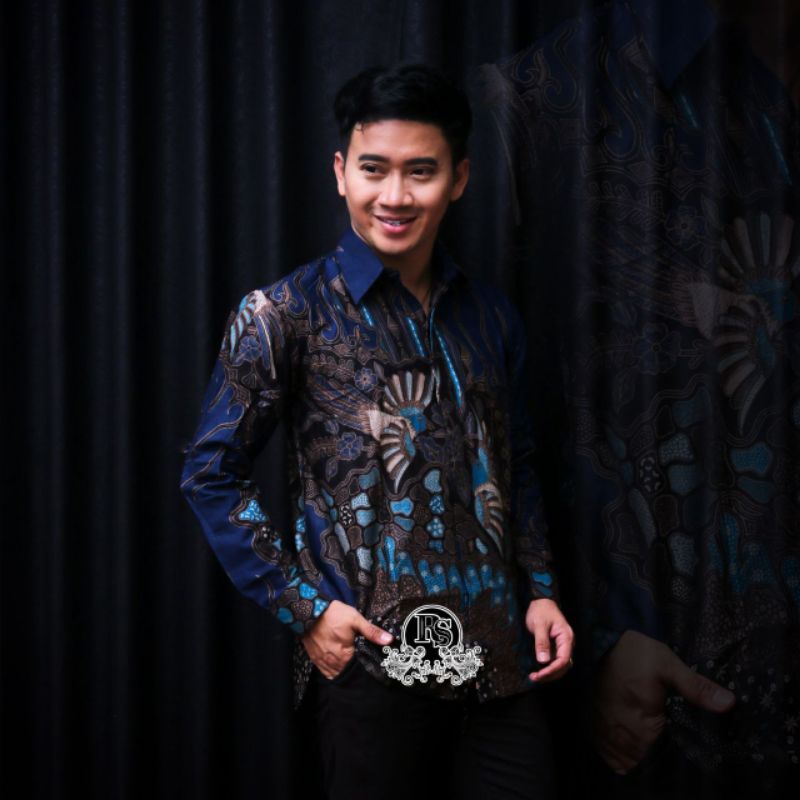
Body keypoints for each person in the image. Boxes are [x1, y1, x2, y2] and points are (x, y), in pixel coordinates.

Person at [180, 63, 574, 800]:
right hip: (370, 670)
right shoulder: (284, 313)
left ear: (458, 178)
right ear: (341, 173)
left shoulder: (491, 316)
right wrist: (306, 609)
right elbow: (210, 474)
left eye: (420, 171)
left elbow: (515, 461)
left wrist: (543, 591)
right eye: (374, 169)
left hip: (501, 664)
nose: (394, 195)